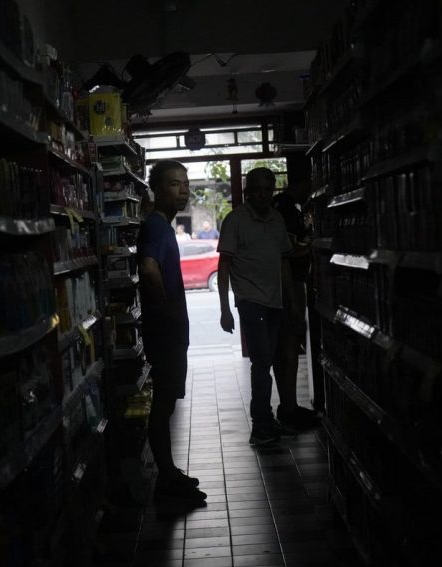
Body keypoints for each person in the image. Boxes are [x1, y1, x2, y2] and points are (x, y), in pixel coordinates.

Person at [137, 160, 206, 503]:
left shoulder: (163, 225)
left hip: (169, 330)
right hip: (165, 331)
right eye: (174, 184)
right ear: (157, 189)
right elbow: (149, 269)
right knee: (163, 405)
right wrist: (167, 312)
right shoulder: (155, 226)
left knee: (166, 404)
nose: (183, 190)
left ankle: (169, 472)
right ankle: (166, 479)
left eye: (185, 184)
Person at [217, 168, 297, 446]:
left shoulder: (277, 219)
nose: (263, 195)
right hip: (250, 302)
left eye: (268, 190)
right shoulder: (235, 220)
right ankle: (261, 424)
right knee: (262, 362)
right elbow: (224, 266)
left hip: (275, 301)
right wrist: (225, 309)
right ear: (247, 192)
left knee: (272, 360)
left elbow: (284, 261)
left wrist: (291, 300)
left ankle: (270, 419)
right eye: (257, 190)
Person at [272, 178, 319, 430]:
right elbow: (289, 252)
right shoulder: (286, 210)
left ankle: (288, 405)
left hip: (285, 285)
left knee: (285, 350)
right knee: (289, 348)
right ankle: (289, 407)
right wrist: (310, 241)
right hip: (289, 284)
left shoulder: (282, 207)